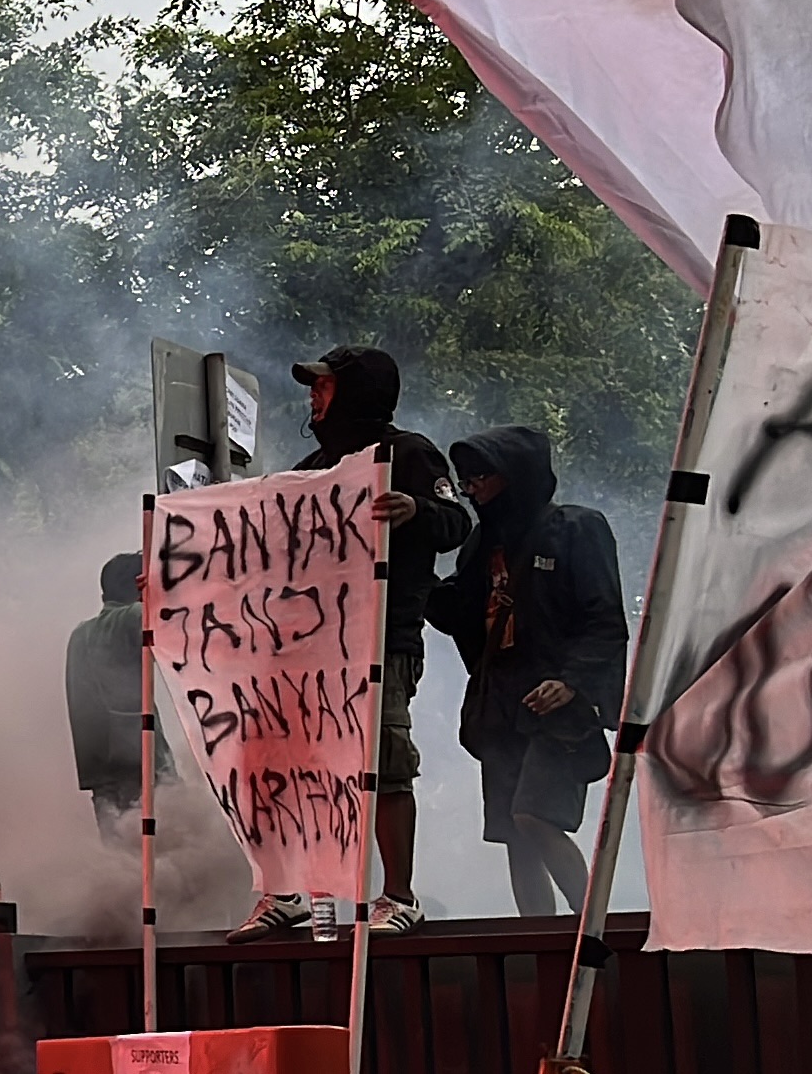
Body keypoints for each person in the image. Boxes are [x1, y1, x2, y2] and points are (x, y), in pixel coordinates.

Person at [232, 346, 470, 937]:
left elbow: (458, 521)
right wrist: (180, 574)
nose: (313, 396)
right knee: (284, 765)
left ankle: (399, 897)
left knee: (383, 762)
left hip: (382, 641)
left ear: (357, 392)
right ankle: (289, 892)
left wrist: (416, 509)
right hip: (310, 648)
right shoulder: (311, 466)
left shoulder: (408, 454)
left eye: (324, 386)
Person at [429, 427, 625, 916]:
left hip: (556, 701)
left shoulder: (576, 528)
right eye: (465, 477)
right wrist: (407, 571)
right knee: (515, 835)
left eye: (481, 475)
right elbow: (456, 613)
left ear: (514, 476)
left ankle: (591, 931)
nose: (471, 487)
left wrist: (574, 682)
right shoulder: (481, 546)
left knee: (534, 815)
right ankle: (537, 942)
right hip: (500, 703)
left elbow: (605, 617)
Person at [64, 552, 174, 848]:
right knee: (167, 841)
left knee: (118, 848)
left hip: (98, 764)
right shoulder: (134, 616)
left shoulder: (79, 633)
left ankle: (120, 893)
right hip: (138, 757)